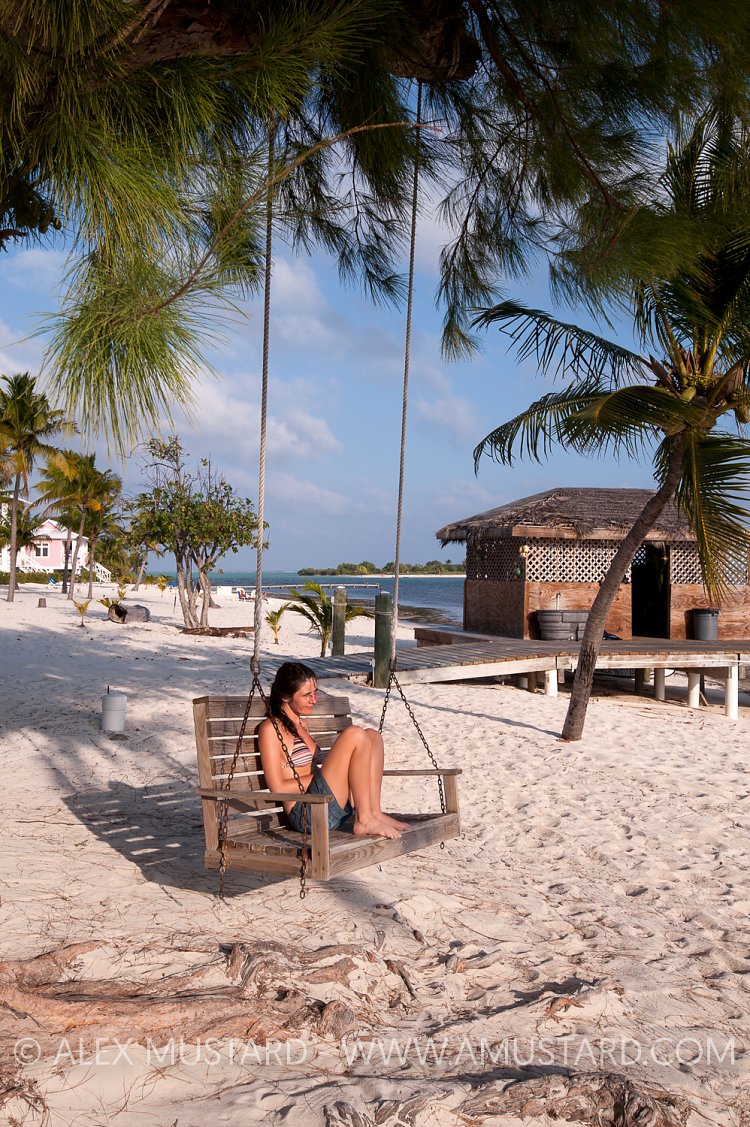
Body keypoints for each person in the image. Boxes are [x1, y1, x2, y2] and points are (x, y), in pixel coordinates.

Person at [258, 661, 409, 840]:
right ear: (285, 697)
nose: (314, 700)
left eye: (315, 692)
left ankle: (374, 812)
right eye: (307, 695)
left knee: (373, 736)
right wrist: (325, 774)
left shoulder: (302, 724)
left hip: (329, 801)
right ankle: (364, 819)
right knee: (354, 734)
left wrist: (338, 769)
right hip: (306, 813)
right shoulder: (270, 729)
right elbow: (277, 788)